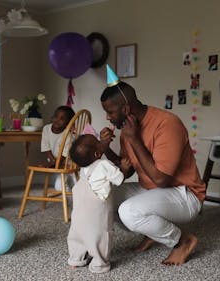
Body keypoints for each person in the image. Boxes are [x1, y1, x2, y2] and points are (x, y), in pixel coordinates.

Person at [99, 67, 206, 266]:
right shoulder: (127, 128)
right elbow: (127, 170)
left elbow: (161, 179)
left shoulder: (167, 124)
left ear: (126, 109)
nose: (107, 117)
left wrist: (134, 139)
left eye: (110, 112)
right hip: (152, 190)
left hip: (185, 194)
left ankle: (182, 241)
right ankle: (154, 232)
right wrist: (106, 150)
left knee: (129, 212)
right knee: (103, 195)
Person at [66, 133, 128, 273]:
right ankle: (99, 264)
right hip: (97, 211)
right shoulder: (104, 164)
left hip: (79, 210)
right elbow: (119, 179)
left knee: (78, 233)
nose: (100, 141)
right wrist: (124, 167)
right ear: (97, 153)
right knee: (100, 235)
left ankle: (76, 258)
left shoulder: (83, 169)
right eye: (97, 141)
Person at [40, 105, 76, 191]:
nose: (57, 120)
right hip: (55, 162)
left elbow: (65, 154)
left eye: (62, 118)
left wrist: (53, 164)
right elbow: (46, 146)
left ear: (68, 122)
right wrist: (52, 162)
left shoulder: (68, 135)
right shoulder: (46, 129)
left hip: (69, 163)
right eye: (56, 116)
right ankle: (68, 195)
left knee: (78, 184)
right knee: (59, 187)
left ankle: (79, 196)